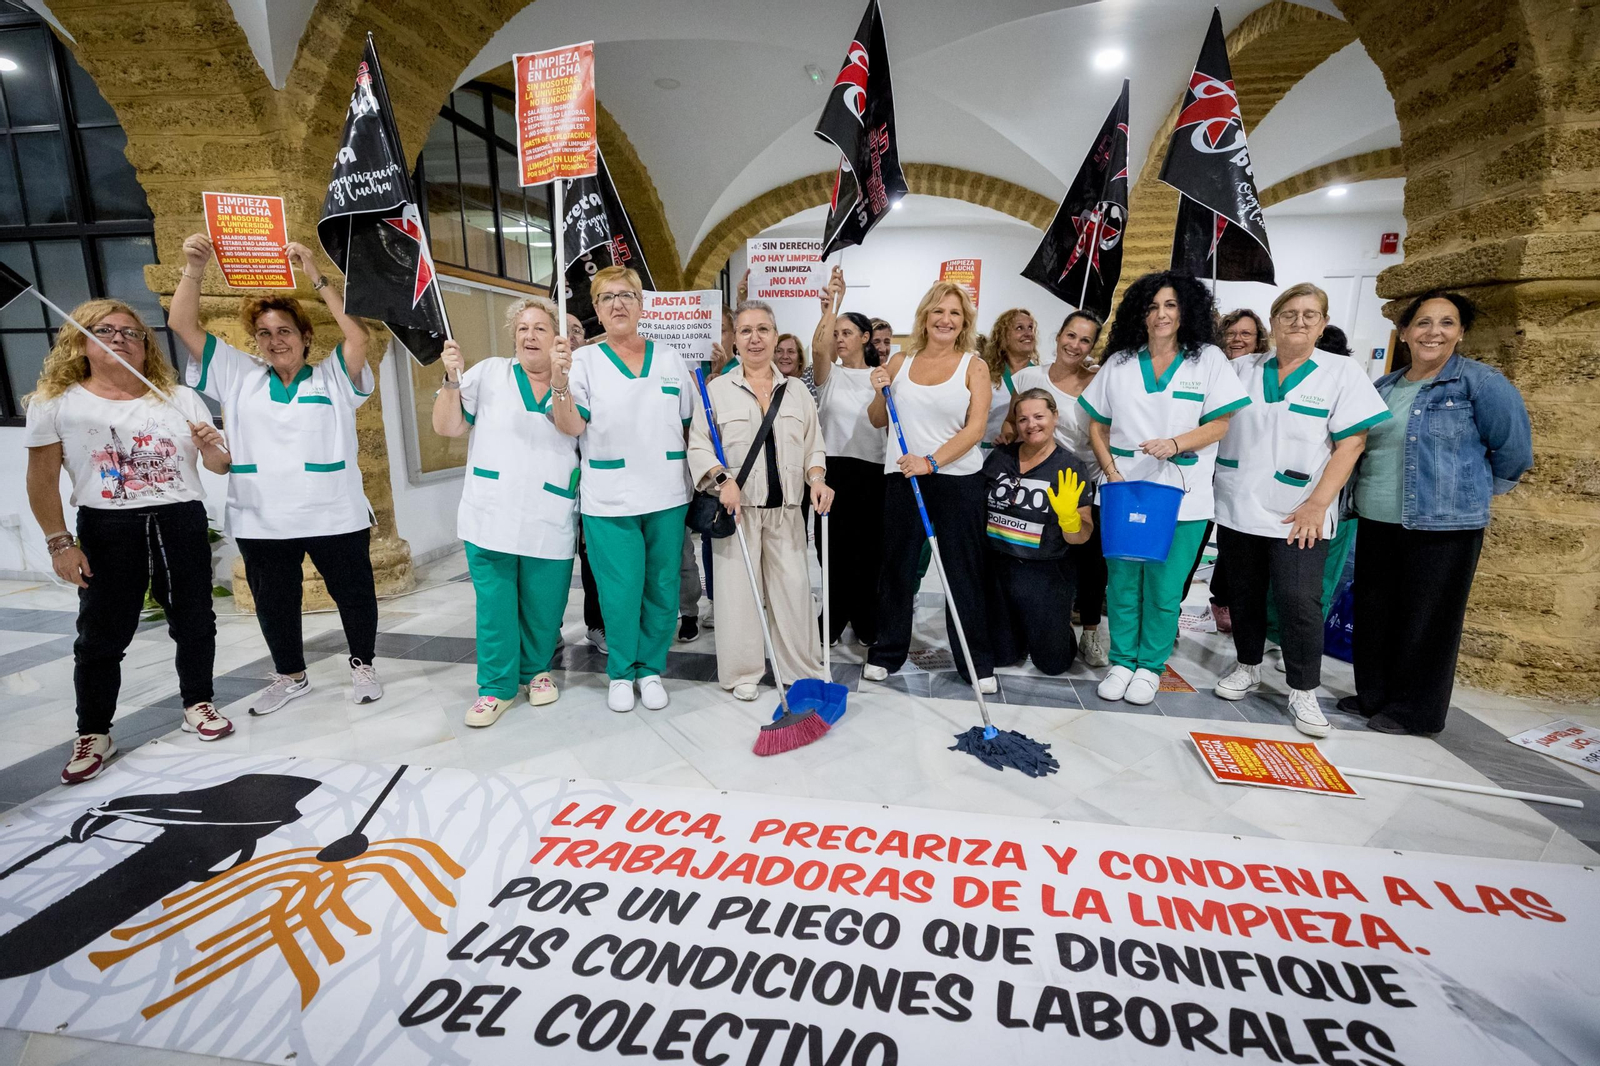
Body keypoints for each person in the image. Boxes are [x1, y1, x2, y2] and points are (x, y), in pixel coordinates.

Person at [24, 300, 235, 784]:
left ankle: (197, 703)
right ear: (81, 341)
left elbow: (221, 466)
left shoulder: (178, 397)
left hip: (179, 519)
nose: (119, 338)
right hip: (107, 526)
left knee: (196, 619)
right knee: (100, 635)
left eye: (131, 332)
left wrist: (212, 449)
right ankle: (94, 732)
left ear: (146, 346)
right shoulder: (54, 403)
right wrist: (60, 543)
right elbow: (41, 479)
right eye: (105, 330)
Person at [173, 234, 383, 716]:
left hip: (333, 510)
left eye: (284, 330)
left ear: (306, 336)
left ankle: (363, 664)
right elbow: (181, 323)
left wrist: (314, 274)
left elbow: (359, 337)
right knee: (275, 601)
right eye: (265, 333)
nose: (275, 341)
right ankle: (291, 675)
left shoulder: (334, 377)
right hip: (261, 515)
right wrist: (194, 267)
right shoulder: (237, 373)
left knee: (353, 593)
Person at [1344, 291, 1531, 736]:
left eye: (1446, 323)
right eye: (1424, 323)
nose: (1434, 332)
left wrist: (1471, 496)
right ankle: (1375, 696)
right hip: (1377, 517)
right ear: (1405, 332)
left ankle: (1416, 711)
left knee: (1428, 622)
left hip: (1443, 525)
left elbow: (1513, 450)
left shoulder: (1479, 384)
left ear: (1461, 332)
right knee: (1376, 613)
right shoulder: (1385, 387)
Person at [1212, 283, 1390, 738]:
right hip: (1239, 502)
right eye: (1289, 313)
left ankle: (1303, 688)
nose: (1299, 321)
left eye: (1310, 315)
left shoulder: (1342, 372)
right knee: (1245, 594)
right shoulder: (1239, 368)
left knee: (1299, 601)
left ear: (1324, 323)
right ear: (1273, 322)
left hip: (1301, 512)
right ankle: (1248, 666)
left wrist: (1317, 503)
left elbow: (1352, 442)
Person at [1081, 271, 1249, 706]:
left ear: (1186, 310)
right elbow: (1095, 425)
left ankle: (1150, 666)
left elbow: (1220, 423)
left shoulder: (1208, 359)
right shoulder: (1119, 362)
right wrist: (1110, 471)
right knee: (1121, 582)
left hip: (1185, 496)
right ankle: (1121, 661)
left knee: (1164, 586)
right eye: (1153, 306)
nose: (1161, 314)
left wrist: (1176, 444)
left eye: (1171, 305)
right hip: (1122, 490)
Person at [551, 265, 693, 713]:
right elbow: (571, 425)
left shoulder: (670, 358)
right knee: (619, 588)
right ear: (595, 308)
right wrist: (558, 383)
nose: (618, 304)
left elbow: (689, 427)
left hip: (668, 492)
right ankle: (621, 672)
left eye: (627, 296)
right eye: (607, 297)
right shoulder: (585, 363)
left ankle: (650, 669)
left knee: (661, 585)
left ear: (641, 304)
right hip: (609, 496)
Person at [431, 297, 577, 727]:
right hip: (490, 511)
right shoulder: (490, 373)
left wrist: (562, 379)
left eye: (540, 328)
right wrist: (451, 380)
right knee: (495, 604)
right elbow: (448, 426)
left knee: (544, 604)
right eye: (522, 329)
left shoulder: (573, 379)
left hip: (549, 509)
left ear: (556, 338)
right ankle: (496, 687)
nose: (530, 335)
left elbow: (574, 427)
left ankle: (535, 672)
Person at [688, 300, 833, 698]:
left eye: (763, 329)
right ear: (735, 341)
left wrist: (817, 478)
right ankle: (742, 673)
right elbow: (699, 447)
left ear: (775, 335)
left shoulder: (797, 391)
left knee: (794, 592)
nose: (755, 338)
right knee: (737, 598)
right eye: (746, 331)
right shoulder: (716, 391)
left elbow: (812, 446)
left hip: (786, 513)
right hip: (739, 513)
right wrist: (722, 480)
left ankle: (799, 667)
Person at [864, 281, 996, 690]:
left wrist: (931, 462)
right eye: (938, 310)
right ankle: (887, 652)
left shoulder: (974, 366)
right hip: (904, 480)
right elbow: (877, 420)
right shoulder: (901, 362)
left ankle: (976, 663)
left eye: (954, 313)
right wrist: (879, 391)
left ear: (964, 322)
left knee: (963, 572)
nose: (945, 319)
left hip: (956, 481)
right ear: (925, 316)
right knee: (897, 570)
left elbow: (975, 430)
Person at [1012, 310, 1110, 667]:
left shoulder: (1098, 382)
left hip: (1083, 480)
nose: (1076, 345)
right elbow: (1015, 419)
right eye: (1071, 335)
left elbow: (1102, 433)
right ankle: (1037, 623)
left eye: (1085, 340)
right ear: (1058, 336)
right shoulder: (1027, 377)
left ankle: (1090, 632)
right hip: (1038, 482)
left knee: (1090, 562)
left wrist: (1109, 473)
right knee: (1047, 559)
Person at [984, 390, 1096, 674]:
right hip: (999, 566)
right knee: (1001, 656)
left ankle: (1059, 627)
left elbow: (1082, 536)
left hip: (1045, 571)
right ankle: (1019, 627)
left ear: (1055, 417)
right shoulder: (1000, 457)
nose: (1030, 425)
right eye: (1022, 419)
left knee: (1052, 664)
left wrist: (1070, 519)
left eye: (1039, 416)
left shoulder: (1071, 467)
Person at [811, 268, 888, 647]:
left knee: (869, 550)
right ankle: (834, 613)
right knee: (832, 550)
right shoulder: (830, 376)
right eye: (836, 333)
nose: (839, 339)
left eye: (847, 333)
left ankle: (865, 615)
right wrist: (832, 305)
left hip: (873, 472)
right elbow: (817, 348)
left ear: (865, 337)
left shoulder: (882, 375)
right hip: (835, 470)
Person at [980, 308, 1038, 446]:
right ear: (1003, 337)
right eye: (1020, 328)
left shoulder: (1041, 375)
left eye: (1030, 328)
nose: (1028, 333)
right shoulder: (985, 375)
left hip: (1028, 454)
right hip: (988, 454)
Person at [774, 332, 816, 400]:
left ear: (800, 359)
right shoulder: (768, 384)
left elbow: (820, 351)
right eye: (779, 351)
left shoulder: (810, 377)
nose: (785, 356)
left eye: (790, 352)